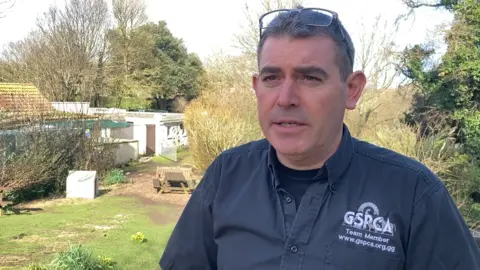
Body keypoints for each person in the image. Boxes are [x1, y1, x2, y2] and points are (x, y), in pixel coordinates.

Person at [159, 6, 480, 270]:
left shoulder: (413, 193)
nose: (285, 98)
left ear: (352, 90)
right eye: (272, 78)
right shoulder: (226, 175)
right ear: (257, 88)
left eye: (310, 78)